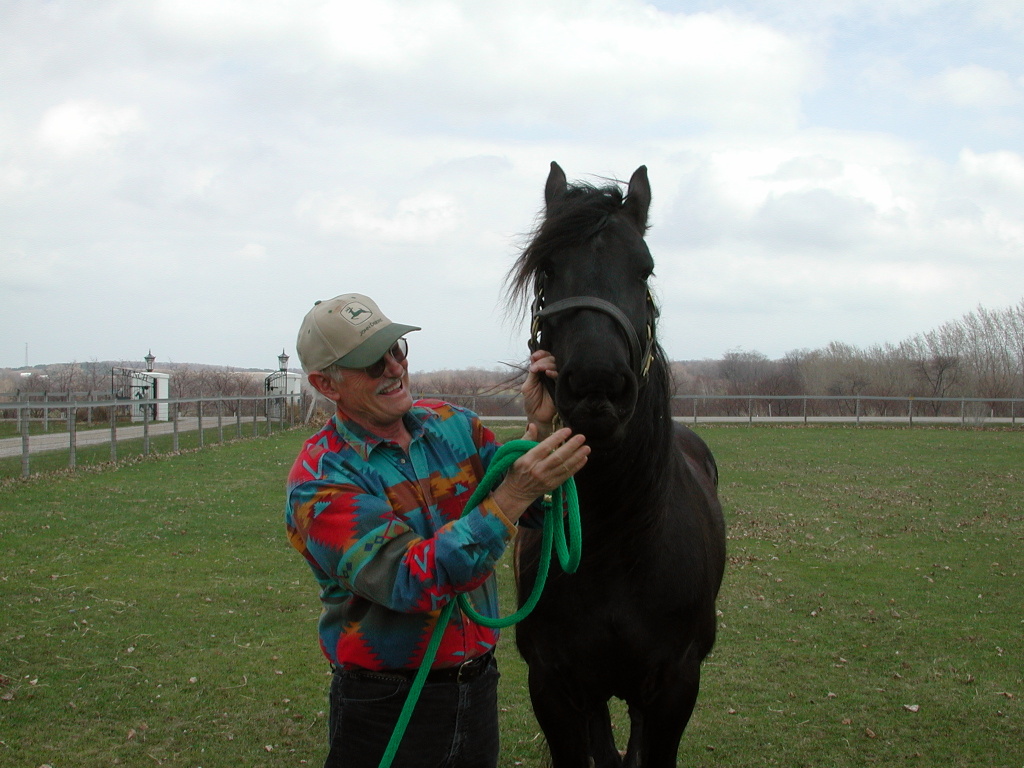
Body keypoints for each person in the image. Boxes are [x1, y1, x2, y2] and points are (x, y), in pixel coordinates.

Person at [284, 293, 589, 768]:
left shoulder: (454, 426)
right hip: (385, 706)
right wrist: (514, 494)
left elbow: (524, 504)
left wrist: (540, 426)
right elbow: (411, 579)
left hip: (476, 688)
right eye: (371, 361)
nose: (393, 367)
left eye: (397, 349)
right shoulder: (320, 481)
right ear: (327, 383)